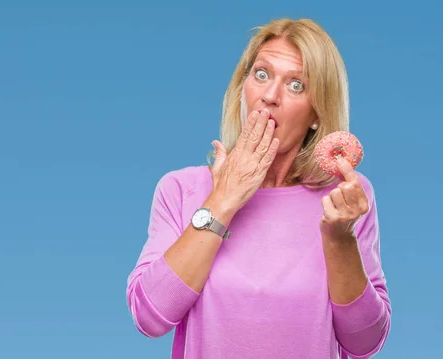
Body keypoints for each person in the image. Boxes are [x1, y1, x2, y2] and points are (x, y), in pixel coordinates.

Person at [125, 18, 391, 359]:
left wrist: (340, 240)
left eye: (296, 85)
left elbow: (365, 342)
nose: (269, 96)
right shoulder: (181, 189)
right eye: (262, 74)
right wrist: (222, 201)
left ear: (316, 113)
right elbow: (149, 317)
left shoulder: (345, 197)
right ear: (242, 87)